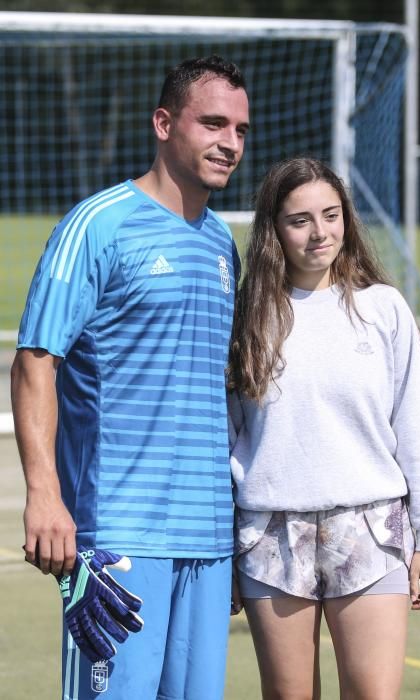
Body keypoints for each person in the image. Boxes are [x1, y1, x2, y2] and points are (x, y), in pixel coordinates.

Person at [10, 55, 249, 700]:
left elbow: (218, 390)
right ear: (164, 123)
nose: (230, 143)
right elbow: (35, 361)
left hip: (206, 538)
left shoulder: (222, 244)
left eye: (240, 130)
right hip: (117, 535)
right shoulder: (97, 225)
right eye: (213, 124)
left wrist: (232, 527)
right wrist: (44, 494)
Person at [227, 157, 420, 699]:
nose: (319, 232)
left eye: (330, 215)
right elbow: (228, 438)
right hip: (271, 533)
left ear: (346, 218)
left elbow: (418, 426)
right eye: (299, 219)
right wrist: (224, 548)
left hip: (371, 530)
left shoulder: (384, 309)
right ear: (273, 228)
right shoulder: (249, 316)